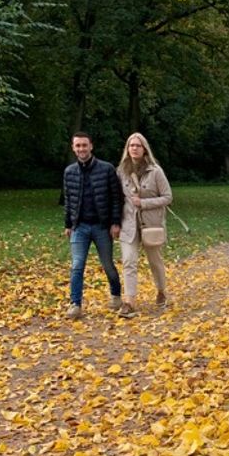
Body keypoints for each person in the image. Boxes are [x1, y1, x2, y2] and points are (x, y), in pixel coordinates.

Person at [63, 131, 123, 320]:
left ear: (91, 146)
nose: (81, 149)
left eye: (84, 145)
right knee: (77, 265)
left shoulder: (106, 169)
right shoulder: (69, 172)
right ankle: (75, 304)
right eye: (78, 145)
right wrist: (68, 224)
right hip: (79, 227)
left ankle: (116, 295)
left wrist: (115, 223)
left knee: (107, 264)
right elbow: (68, 199)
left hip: (101, 226)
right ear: (73, 148)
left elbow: (116, 198)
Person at [116, 132, 173, 317]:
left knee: (155, 261)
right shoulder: (121, 171)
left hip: (150, 224)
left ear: (144, 148)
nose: (134, 148)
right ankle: (129, 301)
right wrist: (114, 222)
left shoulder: (155, 171)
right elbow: (117, 198)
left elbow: (168, 197)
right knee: (129, 261)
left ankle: (162, 291)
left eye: (138, 145)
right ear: (127, 149)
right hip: (128, 223)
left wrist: (145, 203)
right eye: (131, 145)